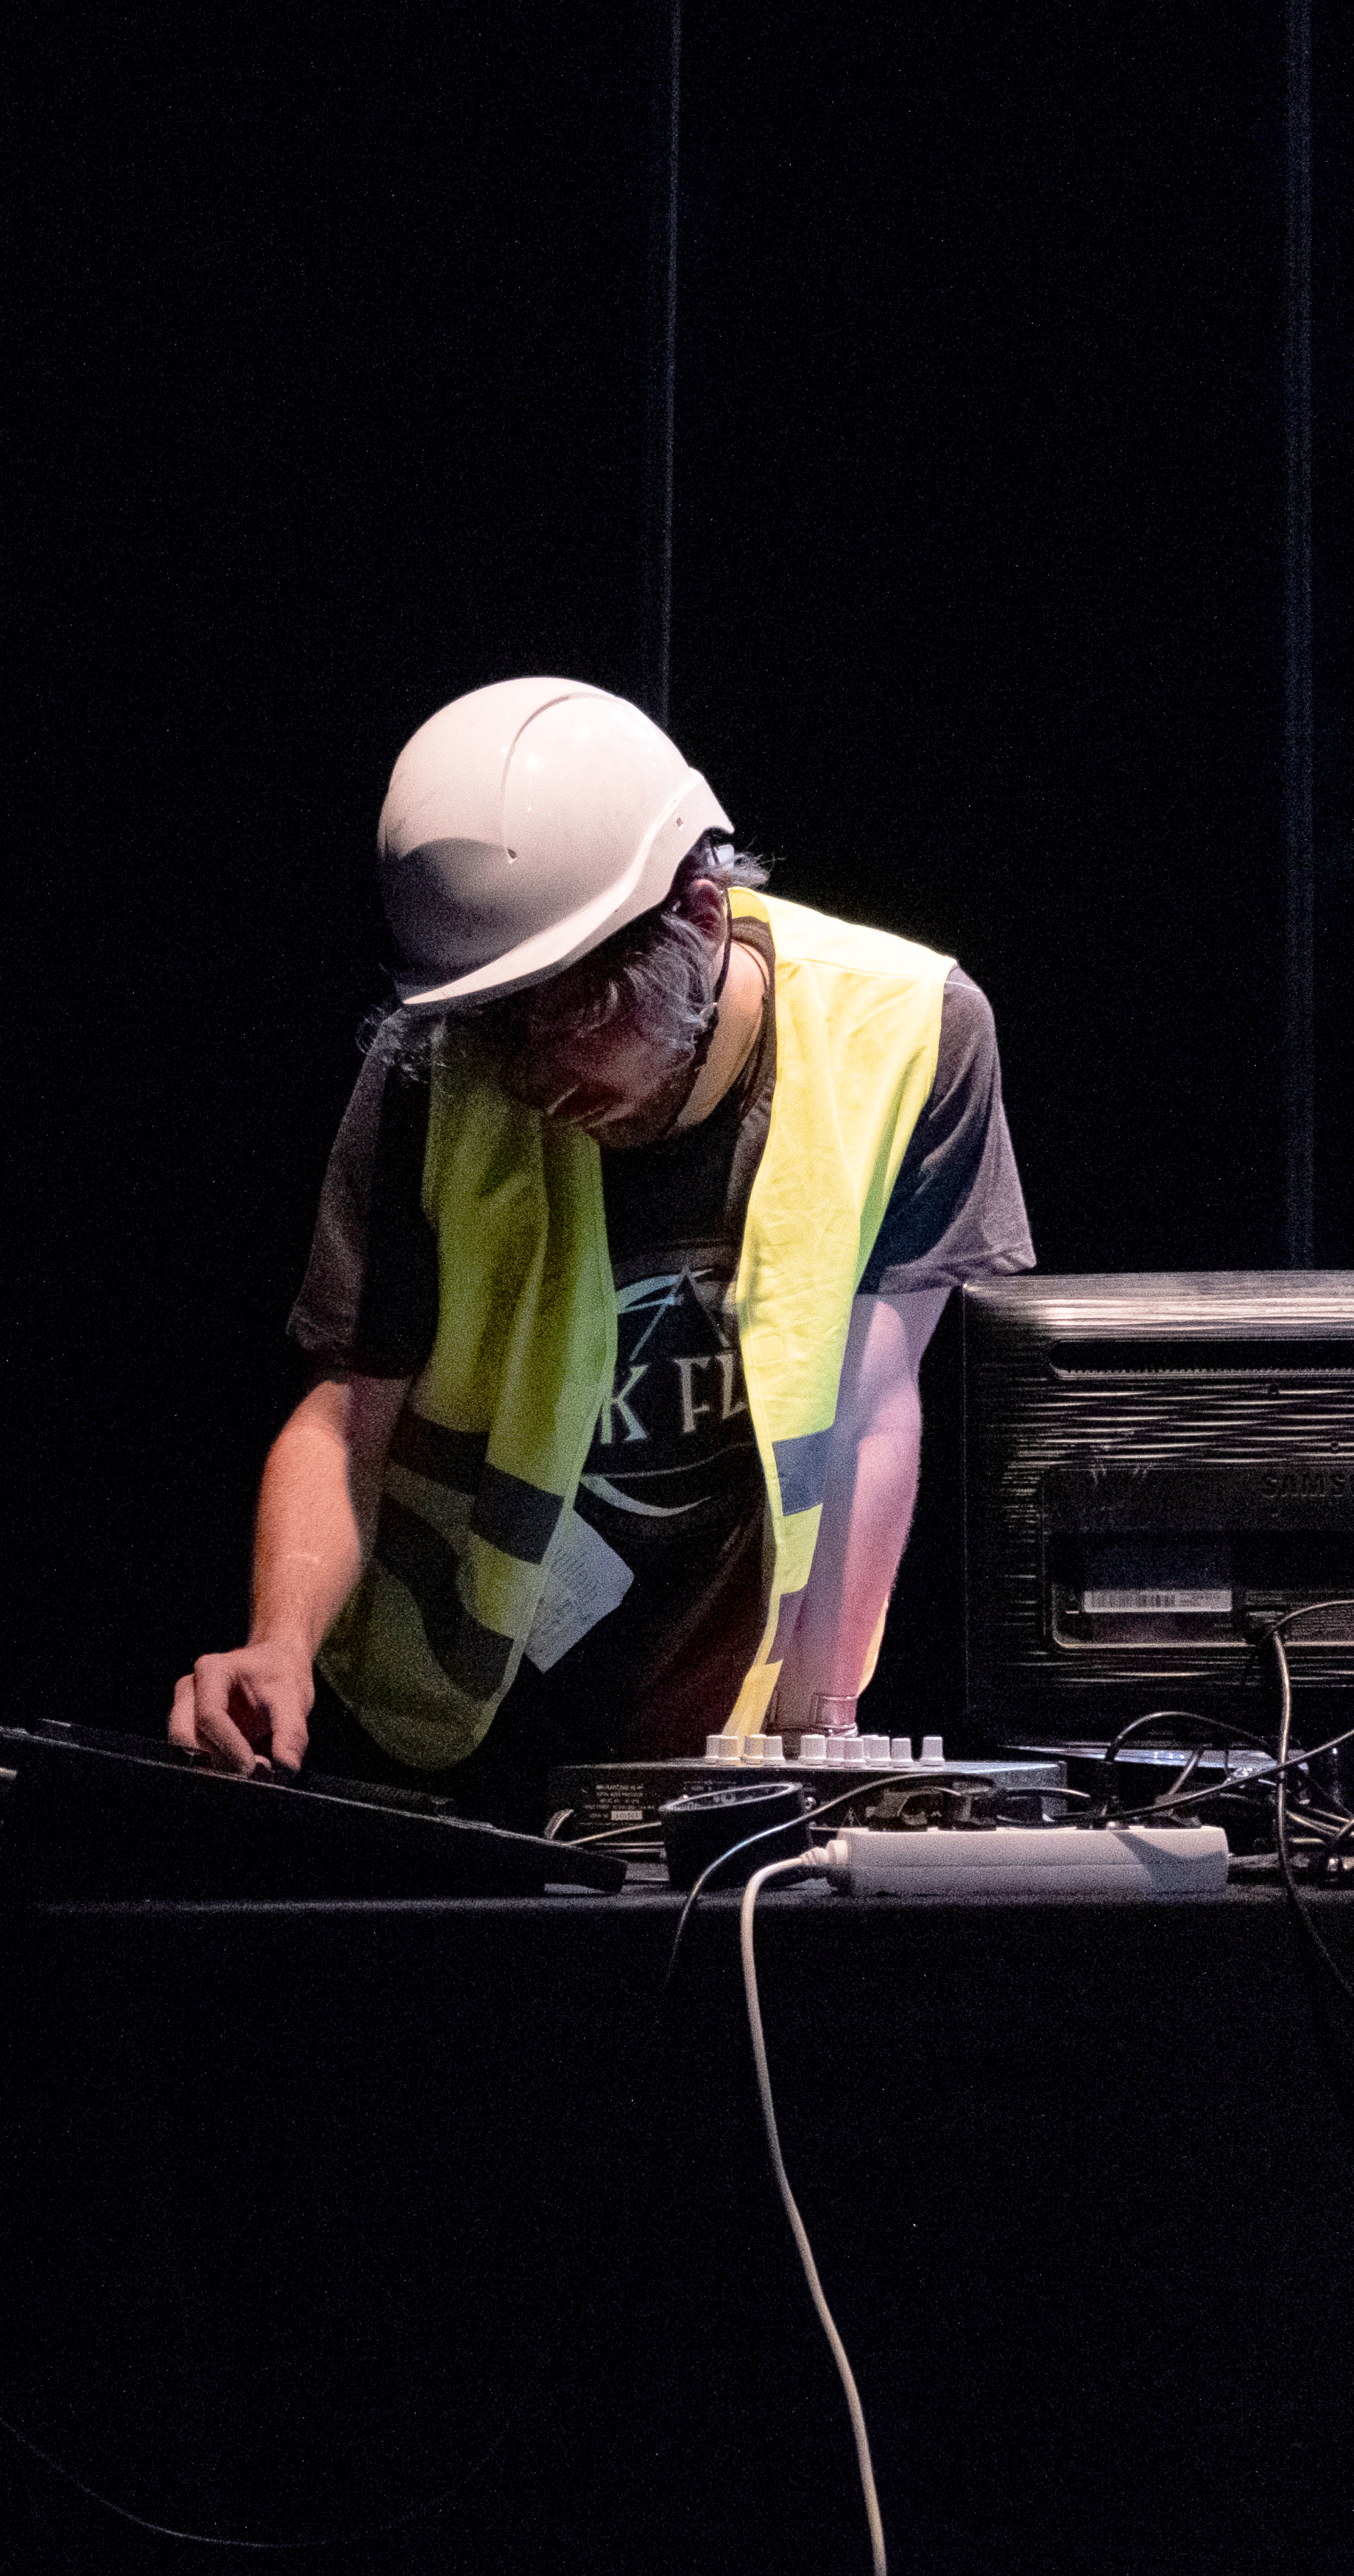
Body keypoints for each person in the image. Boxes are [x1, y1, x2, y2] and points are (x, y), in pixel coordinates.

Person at [169, 676, 1033, 1822]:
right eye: (495, 1023)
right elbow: (347, 1417)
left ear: (701, 918)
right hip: (452, 1725)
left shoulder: (913, 1033)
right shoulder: (437, 1076)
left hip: (721, 1731)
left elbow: (872, 1404)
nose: (531, 1073)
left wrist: (820, 1733)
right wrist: (276, 1643)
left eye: (577, 1012)